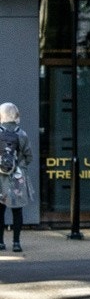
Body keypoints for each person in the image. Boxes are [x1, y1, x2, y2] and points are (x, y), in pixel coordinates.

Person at [0, 103, 34, 252]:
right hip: (17, 177)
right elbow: (29, 156)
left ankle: (0, 242)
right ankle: (16, 243)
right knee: (17, 210)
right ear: (16, 116)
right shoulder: (22, 134)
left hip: (0, 177)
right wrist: (20, 168)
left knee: (0, 210)